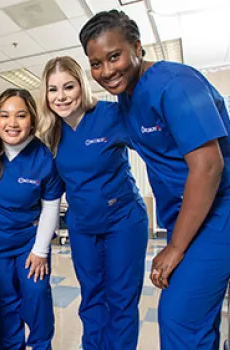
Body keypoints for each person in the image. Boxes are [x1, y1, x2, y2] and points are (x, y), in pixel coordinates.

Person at [80, 10, 230, 349]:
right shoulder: (126, 101)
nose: (106, 71)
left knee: (178, 315)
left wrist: (176, 246)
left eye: (114, 56)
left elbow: (209, 166)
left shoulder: (176, 83)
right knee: (194, 311)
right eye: (96, 64)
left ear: (137, 47)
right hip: (198, 211)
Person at [38, 56, 149, 350]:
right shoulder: (52, 133)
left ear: (82, 86)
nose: (61, 97)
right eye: (53, 90)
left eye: (68, 86)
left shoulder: (111, 115)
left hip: (123, 220)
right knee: (91, 298)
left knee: (121, 300)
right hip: (83, 226)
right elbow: (49, 189)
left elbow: (156, 149)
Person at [0, 88, 63, 350]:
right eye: (4, 115)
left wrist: (40, 250)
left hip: (29, 242)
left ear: (32, 120)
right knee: (4, 299)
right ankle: (10, 345)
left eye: (20, 115)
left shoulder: (43, 156)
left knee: (36, 294)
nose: (12, 123)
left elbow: (51, 207)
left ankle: (40, 344)